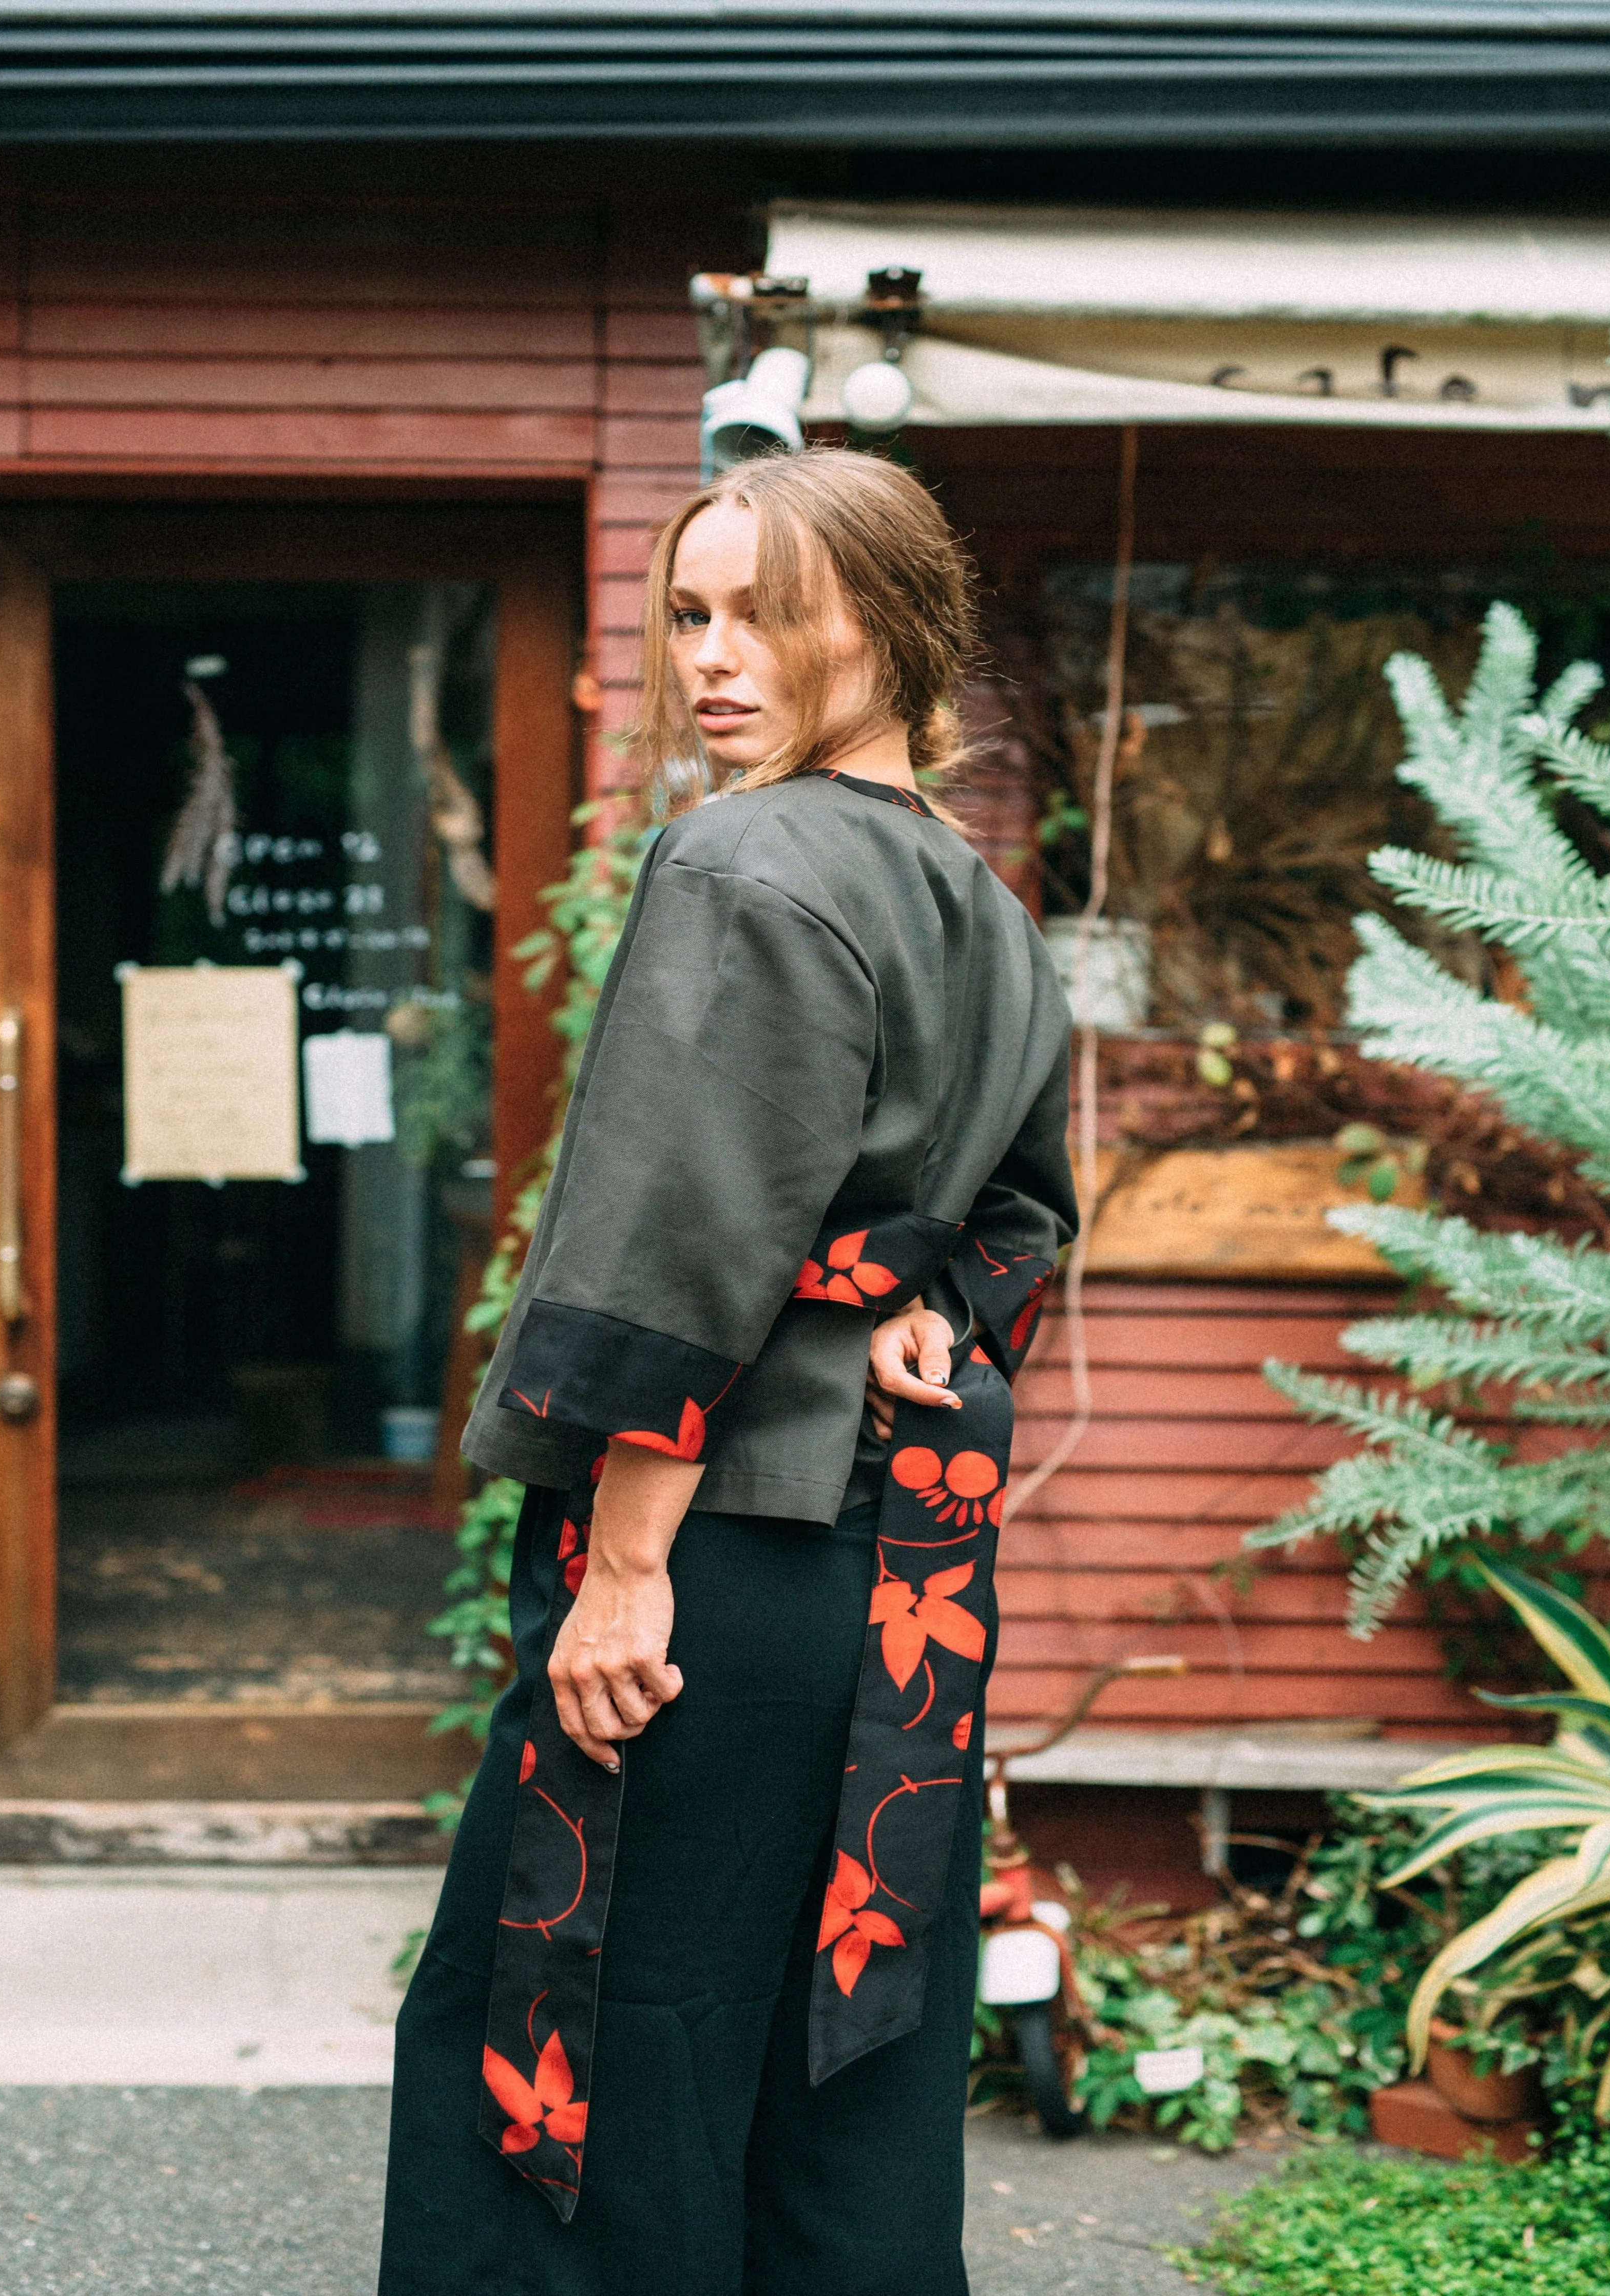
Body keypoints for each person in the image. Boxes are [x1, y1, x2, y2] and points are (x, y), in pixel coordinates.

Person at [378, 445, 1077, 2296]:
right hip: (896, 1594)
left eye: (771, 611)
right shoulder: (982, 906)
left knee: (587, 2052)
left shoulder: (746, 862)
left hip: (710, 1567)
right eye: (690, 613)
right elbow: (1021, 1218)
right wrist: (924, 1309)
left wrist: (620, 1569)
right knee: (837, 2069)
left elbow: (675, 1253)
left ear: (902, 624)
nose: (716, 656)